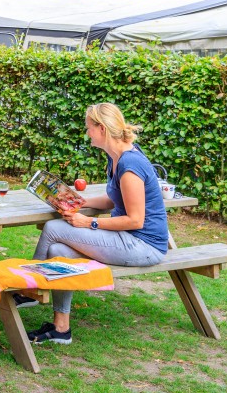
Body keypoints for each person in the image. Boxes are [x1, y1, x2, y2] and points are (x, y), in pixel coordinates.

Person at [27, 103, 168, 345]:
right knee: (58, 252)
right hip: (127, 238)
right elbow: (114, 200)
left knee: (53, 229)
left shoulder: (130, 164)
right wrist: (80, 202)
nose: (87, 133)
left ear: (101, 128)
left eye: (89, 128)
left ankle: (28, 289)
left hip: (143, 245)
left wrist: (88, 222)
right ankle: (61, 329)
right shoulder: (115, 158)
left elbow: (136, 220)